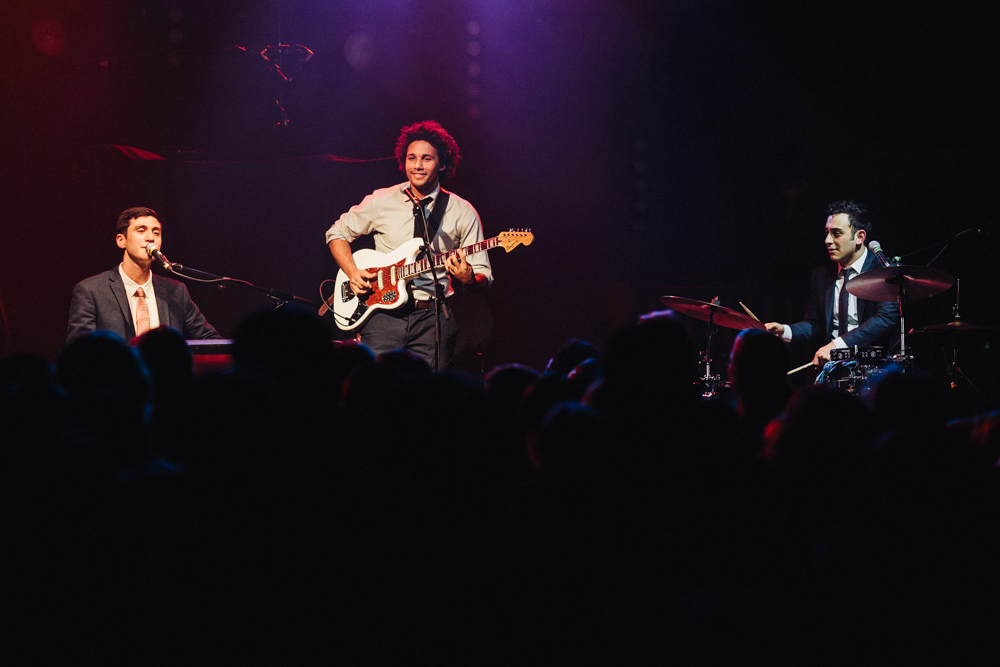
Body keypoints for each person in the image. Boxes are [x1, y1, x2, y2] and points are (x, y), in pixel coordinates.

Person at [325, 120, 492, 368]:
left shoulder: (462, 211)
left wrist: (468, 277)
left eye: (427, 158)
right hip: (382, 316)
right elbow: (336, 233)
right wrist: (352, 272)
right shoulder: (381, 199)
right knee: (376, 388)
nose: (417, 165)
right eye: (412, 158)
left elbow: (484, 276)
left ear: (442, 163)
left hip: (433, 318)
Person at [765, 201, 899, 366]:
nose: (827, 240)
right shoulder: (821, 275)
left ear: (860, 237)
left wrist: (837, 345)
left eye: (836, 233)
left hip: (877, 368)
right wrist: (785, 331)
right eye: (827, 233)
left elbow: (885, 319)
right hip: (836, 369)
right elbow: (815, 324)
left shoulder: (883, 270)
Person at [66, 207, 221, 344]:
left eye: (156, 232)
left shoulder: (176, 291)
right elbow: (79, 351)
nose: (150, 238)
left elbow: (210, 340)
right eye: (141, 230)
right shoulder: (91, 291)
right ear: (121, 240)